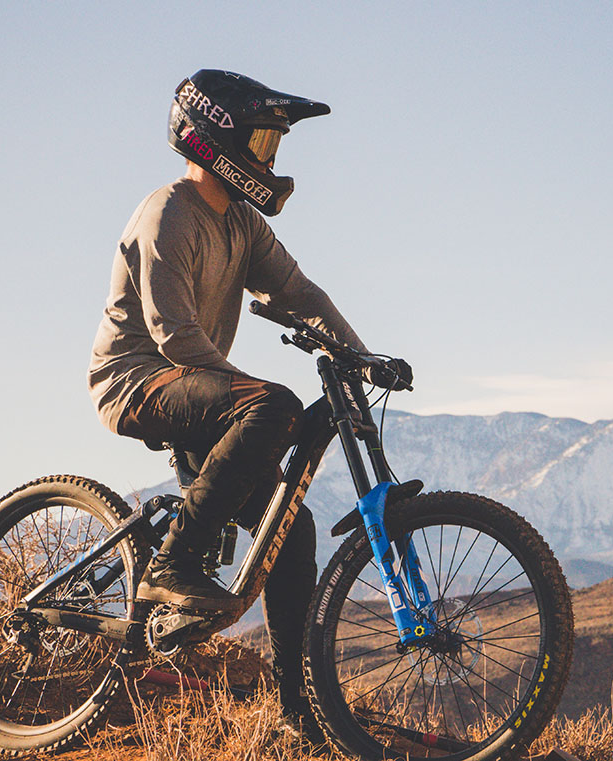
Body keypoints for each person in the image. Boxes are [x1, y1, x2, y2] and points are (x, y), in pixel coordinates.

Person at [87, 69, 410, 737]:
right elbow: (173, 335)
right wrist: (254, 399)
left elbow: (300, 292)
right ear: (216, 138)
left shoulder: (241, 225)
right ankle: (177, 560)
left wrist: (362, 355)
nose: (269, 158)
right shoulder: (167, 214)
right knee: (274, 404)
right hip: (136, 380)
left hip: (198, 387)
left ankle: (299, 713)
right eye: (262, 141)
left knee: (291, 534)